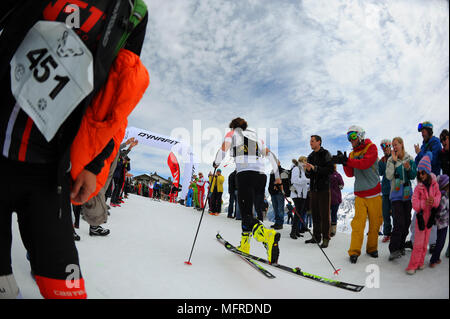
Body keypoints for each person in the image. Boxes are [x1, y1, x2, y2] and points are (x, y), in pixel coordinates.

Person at [0, 1, 148, 299]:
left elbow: (118, 94)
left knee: (66, 291)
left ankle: (37, 255)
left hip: (49, 170)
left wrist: (94, 165)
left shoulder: (134, 10)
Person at [213, 117, 282, 264]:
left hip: (245, 174)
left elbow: (223, 149)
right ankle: (245, 245)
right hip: (261, 176)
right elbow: (271, 155)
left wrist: (215, 163)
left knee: (246, 214)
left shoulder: (232, 134)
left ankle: (267, 236)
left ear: (233, 127)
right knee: (248, 214)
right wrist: (277, 177)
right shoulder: (256, 136)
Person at [335, 126, 383, 263]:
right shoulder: (351, 154)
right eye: (348, 137)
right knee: (358, 225)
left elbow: (365, 164)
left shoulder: (371, 147)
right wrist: (344, 163)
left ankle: (372, 248)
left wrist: (347, 161)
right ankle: (354, 251)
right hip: (360, 194)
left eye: (353, 136)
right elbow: (350, 173)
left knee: (375, 224)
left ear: (360, 135)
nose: (351, 140)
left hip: (374, 193)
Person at [406, 152, 441, 275]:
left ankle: (420, 262)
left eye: (423, 172)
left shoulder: (435, 185)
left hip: (430, 217)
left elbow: (438, 197)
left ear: (427, 172)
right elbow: (414, 203)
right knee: (418, 243)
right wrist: (423, 203)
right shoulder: (418, 188)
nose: (420, 175)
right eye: (419, 173)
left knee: (425, 241)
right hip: (421, 218)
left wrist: (434, 201)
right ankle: (412, 265)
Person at [385, 137, 417, 261]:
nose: (394, 147)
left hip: (407, 195)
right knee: (399, 222)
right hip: (396, 196)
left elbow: (413, 175)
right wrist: (393, 162)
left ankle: (401, 245)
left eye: (396, 144)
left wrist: (409, 168)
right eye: (393, 145)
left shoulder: (409, 158)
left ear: (402, 144)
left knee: (407, 222)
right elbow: (388, 176)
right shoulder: (390, 160)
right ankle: (393, 249)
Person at [304, 135, 334, 248]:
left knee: (324, 215)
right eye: (310, 141)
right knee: (315, 214)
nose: (310, 143)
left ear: (319, 142)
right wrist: (308, 171)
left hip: (324, 189)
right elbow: (309, 175)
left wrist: (315, 168)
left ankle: (326, 238)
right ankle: (316, 237)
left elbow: (330, 169)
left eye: (312, 141)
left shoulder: (325, 153)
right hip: (313, 189)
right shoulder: (310, 156)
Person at [429, 174, 449, 267]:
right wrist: (446, 214)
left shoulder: (442, 196)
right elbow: (440, 212)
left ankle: (436, 258)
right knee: (440, 242)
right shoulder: (443, 197)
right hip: (442, 223)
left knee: (440, 242)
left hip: (442, 223)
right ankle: (433, 260)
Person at [290, 157, 309, 239]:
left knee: (299, 213)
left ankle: (296, 231)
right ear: (301, 161)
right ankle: (293, 232)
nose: (306, 163)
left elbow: (302, 182)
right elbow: (294, 180)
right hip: (297, 194)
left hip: (301, 195)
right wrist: (308, 181)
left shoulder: (302, 170)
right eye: (305, 161)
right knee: (298, 214)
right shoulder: (296, 168)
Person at [378, 139, 393, 243]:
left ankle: (395, 233)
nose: (384, 148)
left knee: (396, 213)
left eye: (386, 146)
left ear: (390, 146)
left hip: (395, 189)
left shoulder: (395, 156)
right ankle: (387, 233)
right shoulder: (382, 160)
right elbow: (380, 173)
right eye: (382, 146)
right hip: (386, 190)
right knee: (385, 213)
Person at [268, 161, 285, 229]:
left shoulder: (282, 171)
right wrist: (270, 190)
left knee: (280, 209)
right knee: (275, 209)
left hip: (279, 192)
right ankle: (277, 222)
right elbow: (270, 183)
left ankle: (280, 223)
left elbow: (284, 181)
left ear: (279, 163)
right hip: (273, 193)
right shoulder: (272, 172)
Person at [329, 164, 344, 237]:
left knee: (328, 214)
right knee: (333, 214)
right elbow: (341, 185)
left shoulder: (328, 174)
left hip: (330, 198)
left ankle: (328, 229)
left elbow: (341, 185)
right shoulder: (338, 175)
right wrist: (338, 187)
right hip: (335, 198)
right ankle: (333, 231)